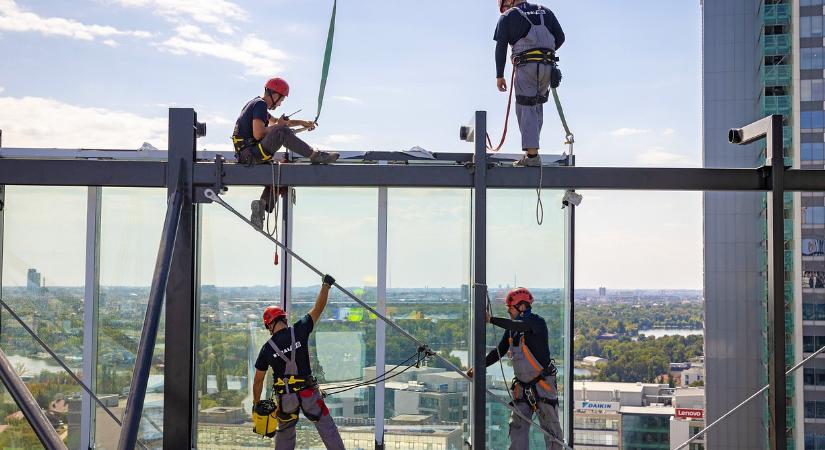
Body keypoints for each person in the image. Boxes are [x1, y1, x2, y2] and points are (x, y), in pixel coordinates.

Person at [252, 274, 345, 450]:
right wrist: (326, 285)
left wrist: (256, 404)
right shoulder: (300, 330)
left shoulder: (267, 348)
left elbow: (258, 380)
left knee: (285, 432)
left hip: (286, 399)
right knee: (326, 426)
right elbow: (318, 308)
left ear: (270, 324)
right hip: (309, 394)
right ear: (283, 319)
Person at [233, 77, 340, 229]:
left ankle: (262, 206)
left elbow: (276, 122)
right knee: (281, 131)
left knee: (280, 173)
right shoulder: (260, 105)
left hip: (248, 154)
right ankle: (316, 156)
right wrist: (281, 127)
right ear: (275, 95)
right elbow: (259, 134)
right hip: (251, 154)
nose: (281, 103)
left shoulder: (255, 104)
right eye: (281, 100)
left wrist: (302, 122)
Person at [467, 287, 563, 449]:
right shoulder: (512, 330)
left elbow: (519, 325)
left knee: (551, 429)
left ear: (522, 307)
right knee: (517, 426)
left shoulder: (536, 323)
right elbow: (499, 351)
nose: (508, 312)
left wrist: (491, 320)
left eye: (510, 308)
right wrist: (479, 367)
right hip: (522, 388)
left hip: (543, 386)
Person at [494, 0, 565, 167]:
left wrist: (499, 75)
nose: (505, 8)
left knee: (525, 107)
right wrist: (543, 52)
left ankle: (532, 157)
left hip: (526, 66)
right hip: (548, 66)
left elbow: (501, 47)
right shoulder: (545, 11)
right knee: (536, 106)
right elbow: (560, 37)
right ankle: (531, 152)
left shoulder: (508, 16)